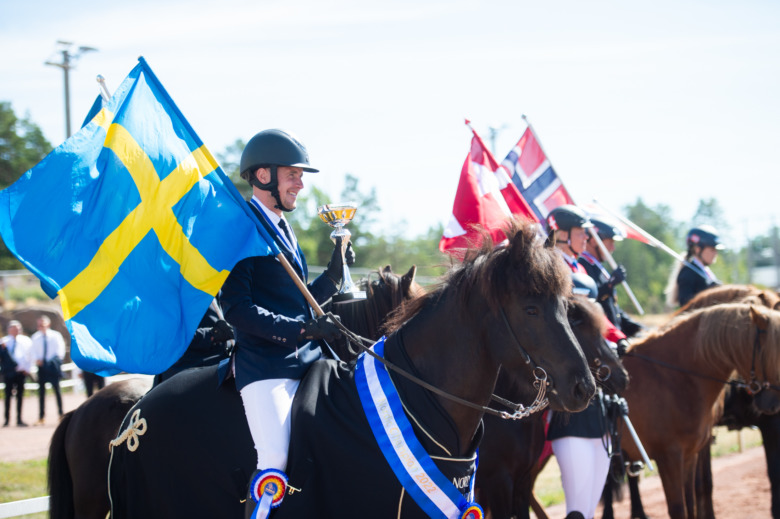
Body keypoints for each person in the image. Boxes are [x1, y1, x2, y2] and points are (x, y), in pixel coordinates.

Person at [217, 129, 351, 519]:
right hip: (266, 365)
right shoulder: (242, 230)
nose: (300, 183)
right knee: (274, 458)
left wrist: (334, 272)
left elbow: (299, 301)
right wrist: (303, 331)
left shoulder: (282, 227)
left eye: (300, 175)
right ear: (263, 176)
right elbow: (237, 310)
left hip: (308, 361)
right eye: (292, 173)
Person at [578, 215, 643, 339]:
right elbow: (592, 301)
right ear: (594, 241)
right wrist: (610, 285)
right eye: (610, 243)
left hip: (615, 335)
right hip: (601, 338)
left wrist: (635, 327)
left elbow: (612, 307)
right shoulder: (583, 266)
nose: (613, 248)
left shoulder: (599, 268)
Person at [152, 299, 234, 387]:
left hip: (223, 367)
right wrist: (212, 334)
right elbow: (166, 335)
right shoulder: (175, 291)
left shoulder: (223, 290)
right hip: (186, 374)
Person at [669, 225, 724, 307]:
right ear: (698, 249)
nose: (715, 253)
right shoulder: (688, 273)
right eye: (712, 250)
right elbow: (686, 305)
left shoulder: (706, 271)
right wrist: (710, 292)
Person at [30, 315, 66, 424]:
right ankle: (41, 416)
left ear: (48, 324)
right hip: (41, 367)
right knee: (41, 392)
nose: (41, 326)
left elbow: (60, 351)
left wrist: (52, 362)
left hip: (52, 367)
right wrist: (37, 360)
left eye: (43, 324)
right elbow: (32, 351)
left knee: (57, 391)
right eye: (39, 325)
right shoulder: (35, 337)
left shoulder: (56, 336)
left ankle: (61, 414)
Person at [1, 320, 32, 427]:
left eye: (17, 328)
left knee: (20, 396)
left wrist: (27, 369)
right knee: (7, 396)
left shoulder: (26, 341)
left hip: (21, 372)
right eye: (13, 328)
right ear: (9, 330)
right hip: (9, 373)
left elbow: (30, 356)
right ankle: (7, 419)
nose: (15, 330)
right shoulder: (4, 341)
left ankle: (19, 419)